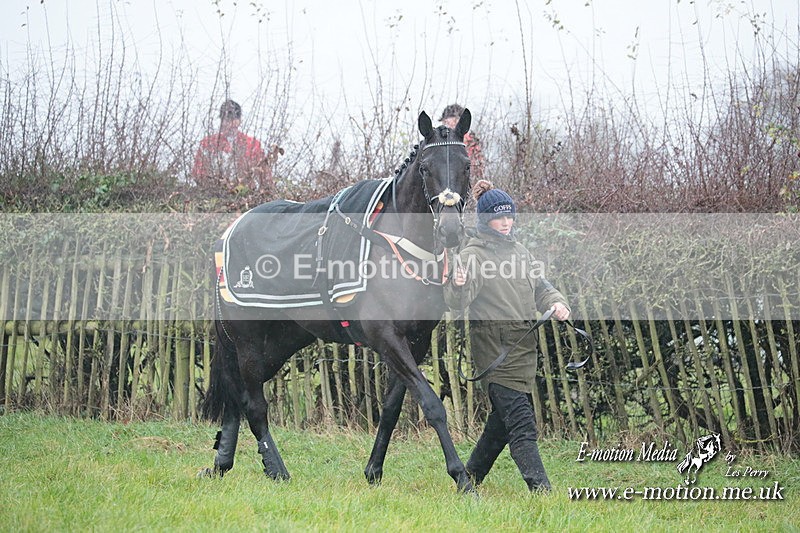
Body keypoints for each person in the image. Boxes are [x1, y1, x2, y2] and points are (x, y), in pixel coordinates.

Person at [443, 179, 571, 492]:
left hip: (524, 349)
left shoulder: (521, 252)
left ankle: (468, 480)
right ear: (485, 220)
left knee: (500, 426)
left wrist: (556, 303)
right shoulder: (473, 255)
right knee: (522, 424)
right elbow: (458, 302)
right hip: (495, 353)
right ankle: (542, 491)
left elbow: (542, 287)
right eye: (499, 217)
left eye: (509, 216)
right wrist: (458, 283)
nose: (506, 222)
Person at [192, 99, 280, 192]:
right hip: (214, 195)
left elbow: (264, 176)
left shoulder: (253, 145)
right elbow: (198, 173)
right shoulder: (208, 144)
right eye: (225, 119)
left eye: (232, 119)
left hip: (247, 195)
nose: (229, 123)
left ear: (239, 121)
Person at [439, 103, 486, 180]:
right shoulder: (442, 142)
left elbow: (478, 171)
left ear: (458, 120)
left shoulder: (471, 143)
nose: (444, 125)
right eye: (444, 122)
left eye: (447, 122)